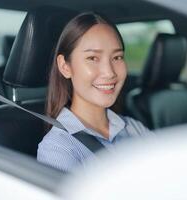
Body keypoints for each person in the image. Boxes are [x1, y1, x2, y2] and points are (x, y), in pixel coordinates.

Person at [37, 12, 153, 172]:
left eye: (117, 57)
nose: (109, 72)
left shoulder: (134, 128)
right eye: (93, 58)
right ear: (65, 66)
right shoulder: (57, 149)